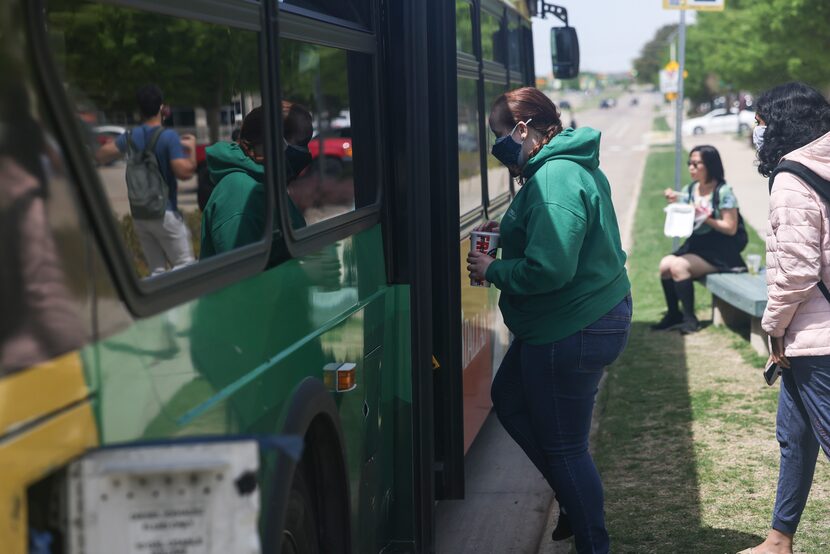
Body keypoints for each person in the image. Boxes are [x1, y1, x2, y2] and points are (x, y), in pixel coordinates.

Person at [467, 87, 631, 554]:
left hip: (573, 326)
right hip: (575, 319)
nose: (499, 146)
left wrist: (493, 269)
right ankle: (571, 493)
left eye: (501, 135)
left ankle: (591, 540)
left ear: (523, 129)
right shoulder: (559, 165)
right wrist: (511, 233)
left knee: (565, 449)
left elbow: (552, 267)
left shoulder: (553, 178)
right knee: (509, 397)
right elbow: (552, 232)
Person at [738, 82, 830, 554]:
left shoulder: (793, 177)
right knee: (794, 438)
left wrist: (773, 325)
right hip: (807, 333)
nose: (756, 129)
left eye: (761, 120)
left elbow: (797, 269)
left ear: (782, 124)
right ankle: (778, 540)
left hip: (817, 337)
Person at [96, 84, 197, 275]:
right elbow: (184, 173)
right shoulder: (168, 137)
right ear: (161, 108)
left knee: (157, 272)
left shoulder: (130, 136)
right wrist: (191, 151)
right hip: (165, 213)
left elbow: (101, 155)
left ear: (140, 110)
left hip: (140, 214)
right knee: (186, 267)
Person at [200, 102, 314, 260]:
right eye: (300, 143)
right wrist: (307, 272)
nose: (305, 152)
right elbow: (242, 276)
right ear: (266, 144)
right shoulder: (240, 194)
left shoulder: (264, 184)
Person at [652, 145, 747, 334]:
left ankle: (690, 319)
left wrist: (706, 218)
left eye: (696, 164)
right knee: (665, 265)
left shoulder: (723, 191)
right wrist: (676, 203)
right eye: (689, 163)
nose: (691, 168)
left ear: (710, 165)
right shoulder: (690, 189)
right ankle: (673, 314)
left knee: (679, 266)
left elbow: (730, 228)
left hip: (721, 249)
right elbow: (687, 218)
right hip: (696, 245)